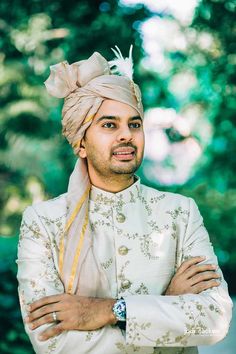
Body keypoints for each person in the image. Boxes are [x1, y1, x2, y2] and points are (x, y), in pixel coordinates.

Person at [17, 46, 232, 354]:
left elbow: (214, 321)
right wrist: (168, 306)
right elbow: (54, 343)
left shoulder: (179, 213)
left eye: (134, 124)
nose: (126, 135)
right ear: (80, 142)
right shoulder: (43, 222)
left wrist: (107, 311)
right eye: (109, 125)